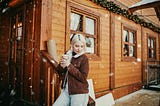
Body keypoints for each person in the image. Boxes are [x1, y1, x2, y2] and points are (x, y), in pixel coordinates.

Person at [53, 34, 89, 106]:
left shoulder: (84, 58)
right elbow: (59, 71)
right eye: (77, 46)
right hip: (66, 91)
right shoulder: (68, 54)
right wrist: (61, 65)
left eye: (82, 46)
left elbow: (83, 77)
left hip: (79, 92)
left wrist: (69, 65)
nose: (79, 49)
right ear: (72, 45)